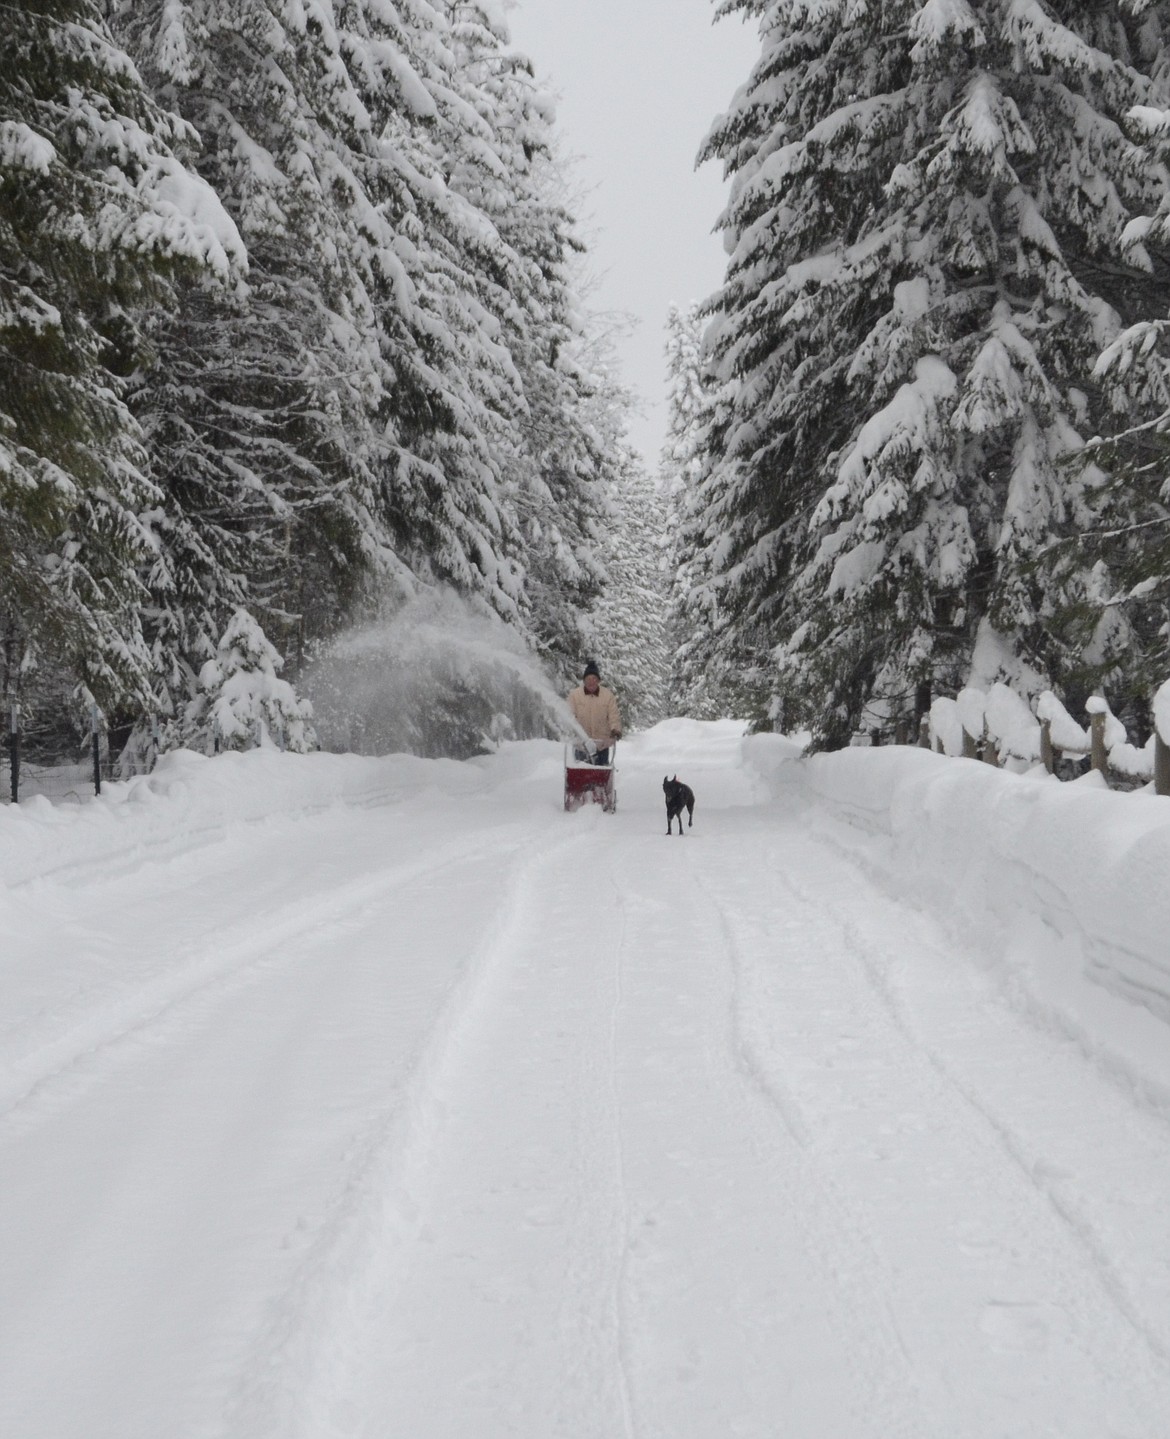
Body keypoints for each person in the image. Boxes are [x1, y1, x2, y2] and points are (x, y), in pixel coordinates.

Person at [568, 661, 622, 765]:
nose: (591, 682)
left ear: (598, 681)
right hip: (581, 745)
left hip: (602, 745)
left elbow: (613, 715)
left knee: (601, 776)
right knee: (581, 775)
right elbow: (570, 715)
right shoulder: (575, 695)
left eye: (594, 679)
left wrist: (615, 730)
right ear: (584, 681)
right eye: (588, 679)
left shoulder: (607, 695)